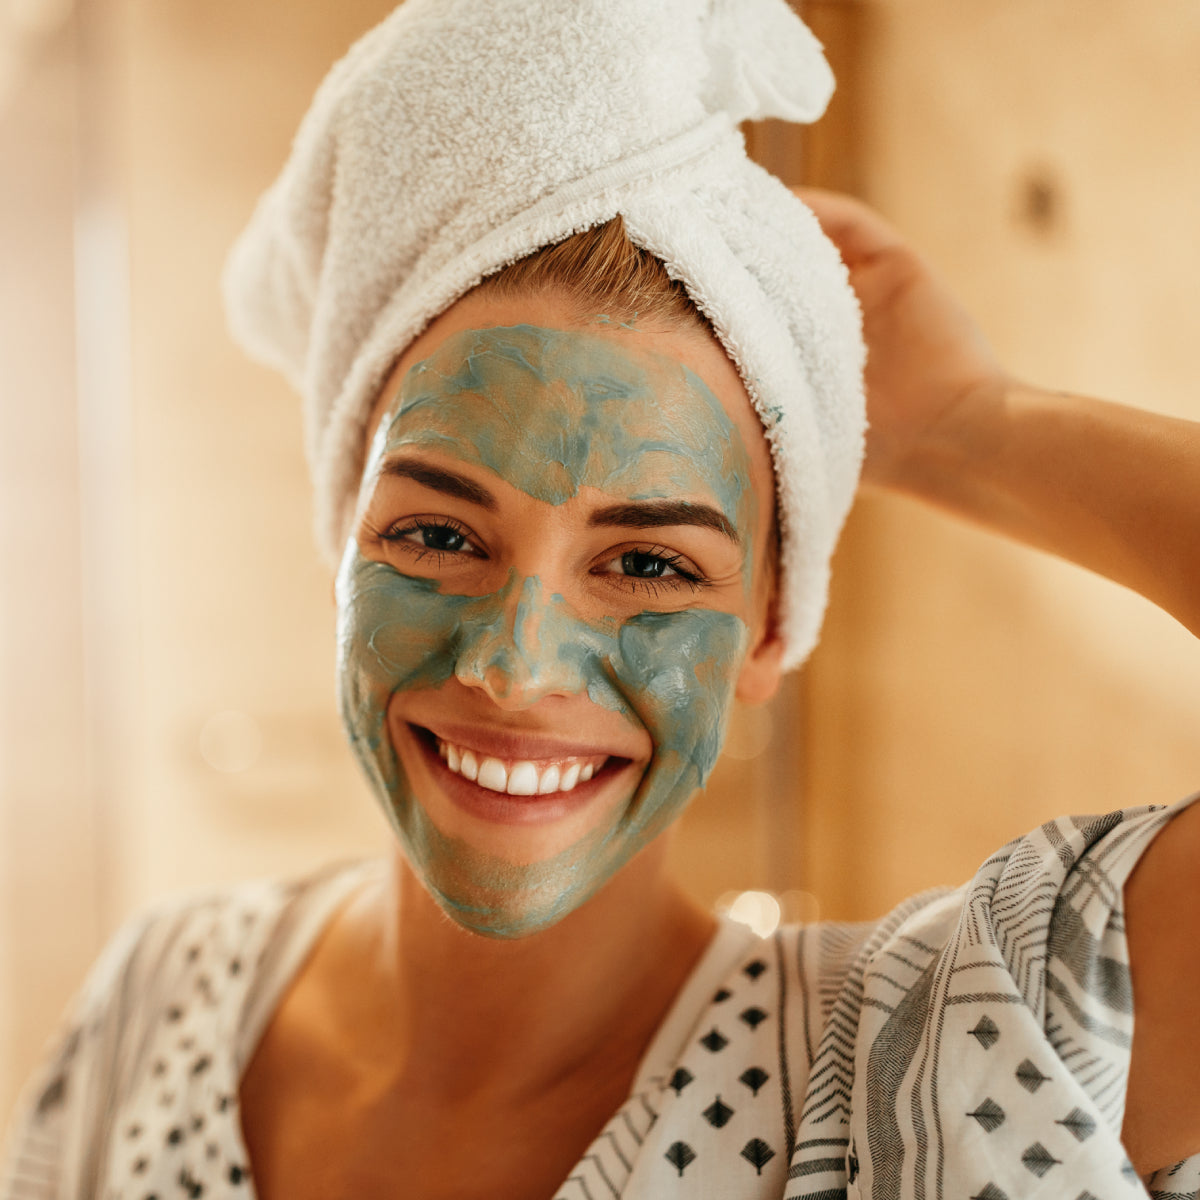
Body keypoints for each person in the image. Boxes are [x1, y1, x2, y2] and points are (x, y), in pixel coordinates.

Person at [4, 2, 1199, 1198]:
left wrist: (967, 431)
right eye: (435, 534)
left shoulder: (932, 1072)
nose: (517, 669)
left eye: (647, 565)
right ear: (345, 555)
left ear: (771, 628)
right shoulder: (161, 991)